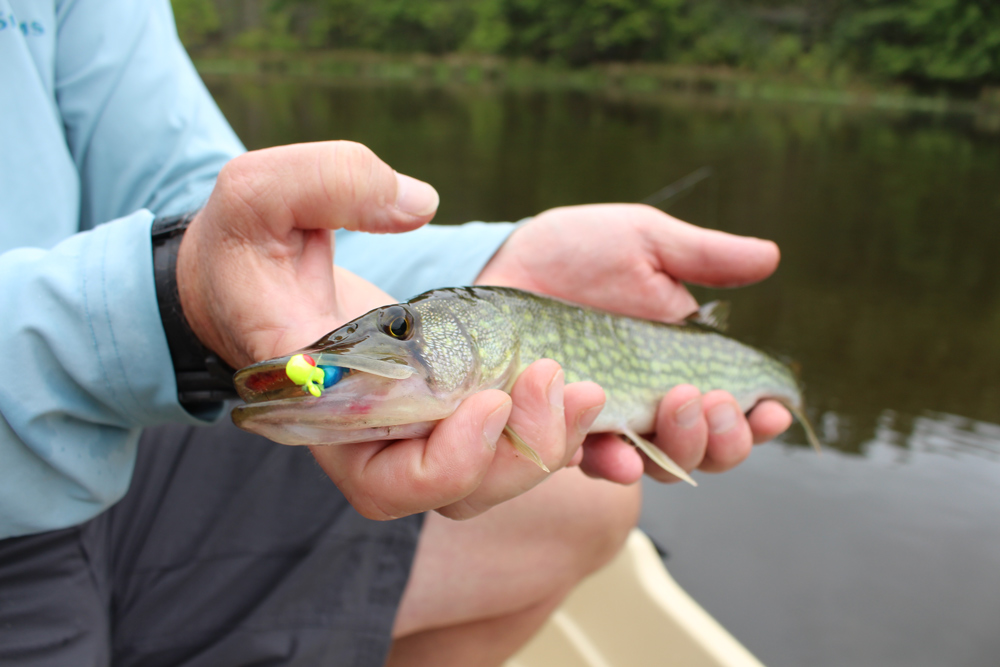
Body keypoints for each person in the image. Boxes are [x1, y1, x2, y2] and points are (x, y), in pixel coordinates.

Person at [0, 1, 791, 665]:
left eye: (403, 326)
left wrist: (495, 257)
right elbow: (189, 267)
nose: (391, 340)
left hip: (95, 434)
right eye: (401, 326)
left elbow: (189, 197)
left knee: (586, 506)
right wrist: (172, 300)